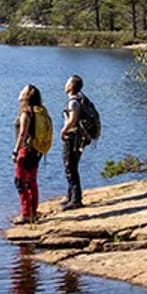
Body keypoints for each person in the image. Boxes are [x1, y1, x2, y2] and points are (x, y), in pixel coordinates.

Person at [11, 84, 45, 224]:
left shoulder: (26, 113)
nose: (19, 92)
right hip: (36, 150)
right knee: (31, 181)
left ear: (26, 96)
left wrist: (15, 150)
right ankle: (33, 211)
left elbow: (23, 133)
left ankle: (26, 214)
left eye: (22, 91)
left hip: (26, 150)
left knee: (20, 181)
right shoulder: (38, 111)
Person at [60, 75, 86, 210]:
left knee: (70, 167)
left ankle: (76, 199)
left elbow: (73, 119)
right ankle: (71, 196)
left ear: (71, 86)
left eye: (67, 82)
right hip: (76, 137)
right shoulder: (78, 100)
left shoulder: (73, 102)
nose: (65, 85)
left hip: (73, 138)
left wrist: (63, 131)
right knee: (71, 166)